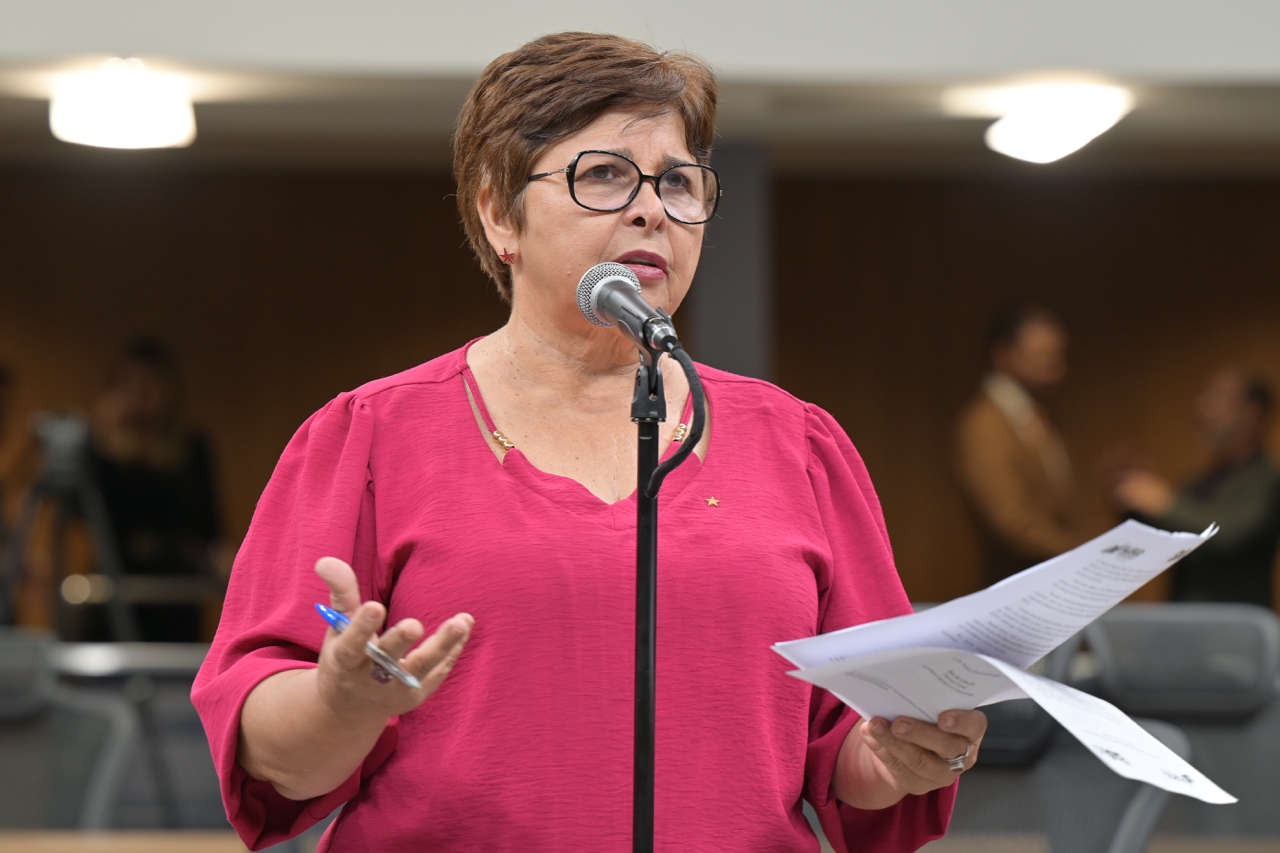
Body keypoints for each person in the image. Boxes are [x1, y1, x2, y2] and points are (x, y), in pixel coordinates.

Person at [193, 33, 985, 853]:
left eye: (678, 182)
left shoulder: (800, 445)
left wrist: (896, 756)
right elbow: (266, 752)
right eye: (604, 174)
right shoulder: (368, 437)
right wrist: (339, 707)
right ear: (500, 214)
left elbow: (852, 749)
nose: (652, 209)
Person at [88, 338, 222, 641]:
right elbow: (89, 514)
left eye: (149, 383)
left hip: (175, 591)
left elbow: (208, 524)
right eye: (129, 384)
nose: (140, 394)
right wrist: (104, 445)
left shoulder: (191, 448)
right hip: (114, 585)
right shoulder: (103, 453)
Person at [1111, 368, 1280, 608]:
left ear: (1252, 412)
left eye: (1217, 397)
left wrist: (1164, 503)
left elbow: (1228, 536)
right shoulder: (1198, 482)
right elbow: (1161, 541)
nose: (1202, 406)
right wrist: (1129, 497)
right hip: (1186, 617)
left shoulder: (1267, 480)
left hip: (1236, 621)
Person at [954, 305, 1090, 586]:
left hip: (1050, 582)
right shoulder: (985, 423)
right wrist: (1086, 555)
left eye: (1058, 357)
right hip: (1014, 587)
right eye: (1042, 357)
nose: (1055, 370)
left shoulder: (1039, 417)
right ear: (1003, 355)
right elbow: (1012, 523)